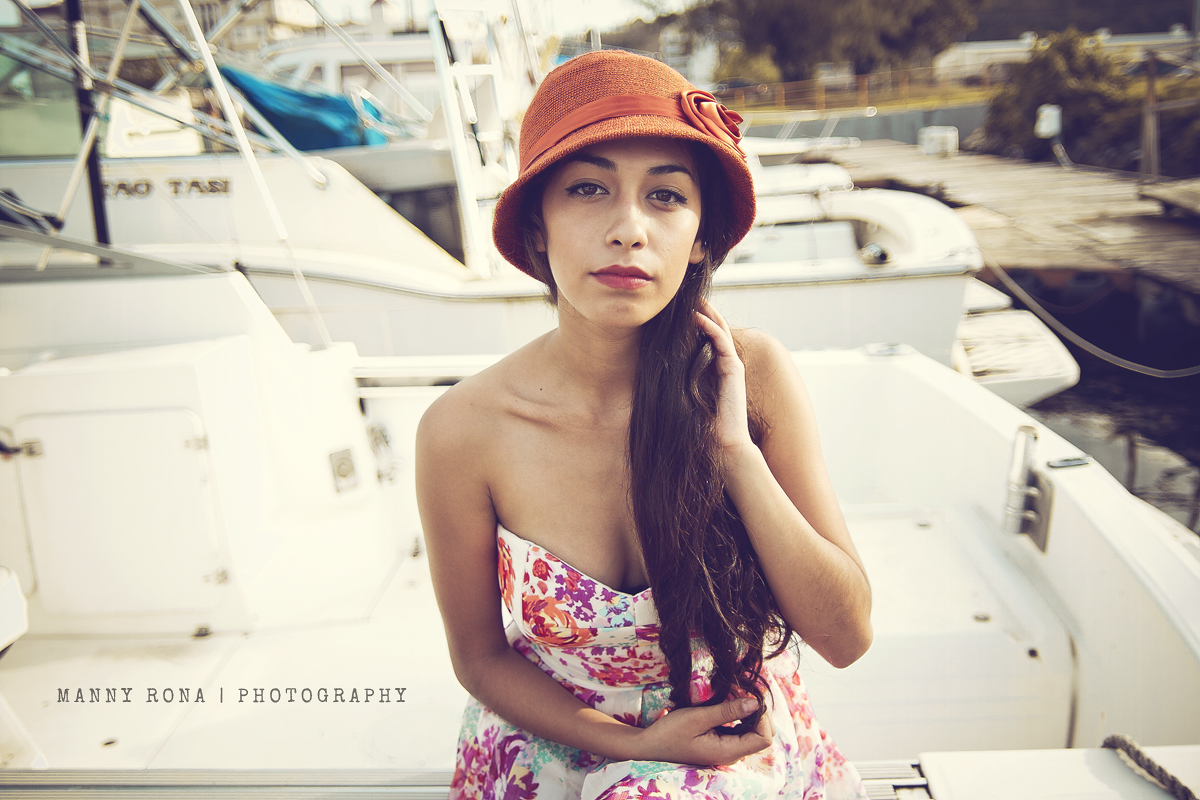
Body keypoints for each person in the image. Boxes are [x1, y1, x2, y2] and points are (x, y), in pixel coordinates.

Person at [416, 50, 872, 800]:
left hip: (726, 747)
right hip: (552, 738)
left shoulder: (752, 376)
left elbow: (845, 637)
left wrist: (733, 452)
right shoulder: (464, 429)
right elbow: (480, 657)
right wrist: (629, 743)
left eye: (665, 195)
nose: (629, 229)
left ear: (701, 238)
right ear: (537, 227)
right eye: (588, 189)